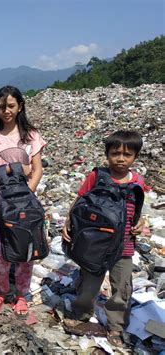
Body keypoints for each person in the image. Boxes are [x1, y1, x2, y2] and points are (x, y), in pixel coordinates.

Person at [62, 130, 145, 348]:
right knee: (89, 284)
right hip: (95, 244)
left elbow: (137, 211)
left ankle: (115, 326)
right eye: (115, 153)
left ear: (135, 156)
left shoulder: (137, 182)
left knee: (121, 289)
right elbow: (80, 201)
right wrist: (68, 223)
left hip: (124, 246)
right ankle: (81, 313)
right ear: (107, 154)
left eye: (127, 154)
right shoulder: (97, 176)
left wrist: (141, 223)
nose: (120, 158)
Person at [0, 85, 46, 315]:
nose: (6, 111)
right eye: (1, 106)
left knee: (26, 253)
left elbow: (37, 170)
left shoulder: (31, 136)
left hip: (25, 205)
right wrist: (13, 167)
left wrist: (27, 194)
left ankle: (21, 295)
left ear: (20, 106)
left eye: (10, 106)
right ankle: (1, 292)